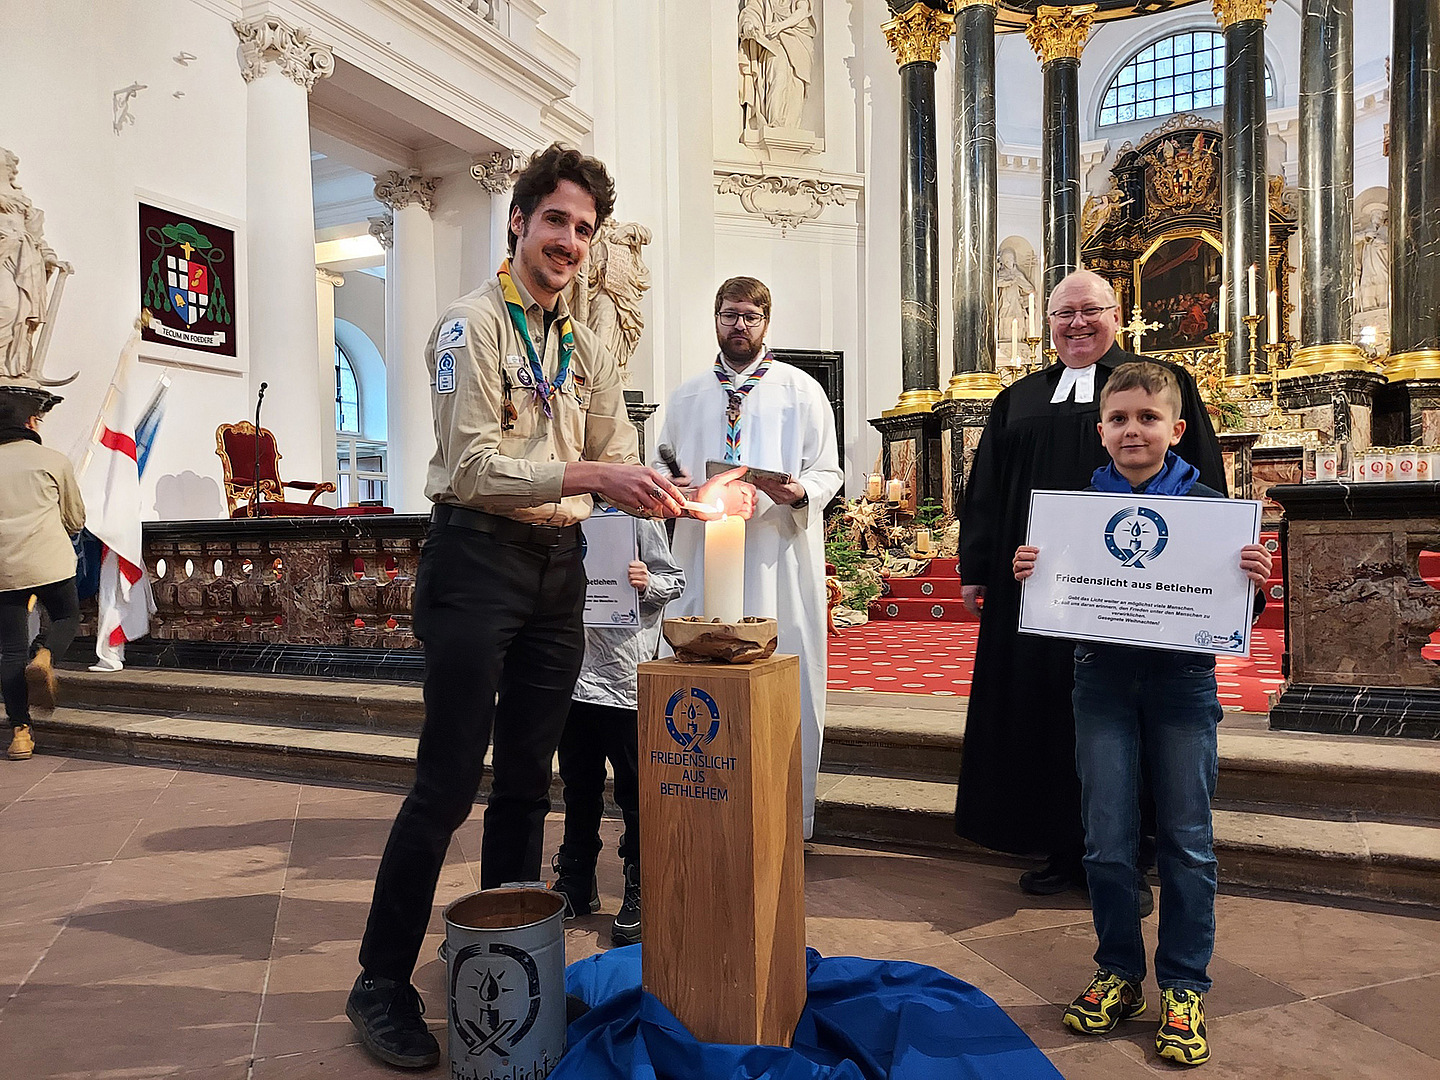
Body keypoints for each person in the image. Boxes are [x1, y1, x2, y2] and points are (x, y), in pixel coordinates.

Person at [348, 144, 687, 1071]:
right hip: (476, 562)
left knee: (528, 785)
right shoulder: (470, 325)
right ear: (518, 222)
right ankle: (378, 980)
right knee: (448, 782)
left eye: (584, 229)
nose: (570, 242)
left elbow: (614, 440)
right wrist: (597, 472)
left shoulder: (586, 339)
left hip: (559, 567)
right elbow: (469, 465)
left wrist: (660, 490)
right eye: (556, 223)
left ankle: (497, 969)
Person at [1013, 361, 1271, 1068]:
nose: (1133, 430)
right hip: (1100, 681)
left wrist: (1251, 584)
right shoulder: (1072, 516)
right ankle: (1120, 971)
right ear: (1101, 432)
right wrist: (1035, 575)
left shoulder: (1209, 507)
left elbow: (1232, 612)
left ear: (1176, 430)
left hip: (1183, 686)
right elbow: (1058, 598)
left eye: (1148, 418)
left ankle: (1184, 984)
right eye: (1120, 419)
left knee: (1188, 838)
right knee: (1105, 836)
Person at [957, 269, 1225, 897]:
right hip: (1038, 587)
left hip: (1136, 594)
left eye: (1090, 311)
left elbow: (1201, 476)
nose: (1076, 323)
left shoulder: (1157, 386)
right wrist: (976, 566)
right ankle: (1058, 842)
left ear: (1117, 315)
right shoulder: (1018, 399)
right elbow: (988, 488)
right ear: (1047, 324)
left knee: (1123, 715)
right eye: (1063, 314)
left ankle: (1132, 851)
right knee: (1043, 708)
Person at [657, 276, 843, 839]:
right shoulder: (686, 395)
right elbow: (663, 470)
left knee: (784, 675)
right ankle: (703, 809)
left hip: (776, 556)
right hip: (702, 556)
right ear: (715, 319)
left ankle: (787, 819)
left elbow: (829, 471)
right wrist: (676, 485)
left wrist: (799, 491)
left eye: (750, 317)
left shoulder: (800, 390)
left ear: (767, 322)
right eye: (729, 315)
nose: (739, 325)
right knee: (702, 673)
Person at [549, 511, 685, 945]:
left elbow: (674, 580)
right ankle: (575, 880)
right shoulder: (565, 510)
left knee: (635, 789)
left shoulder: (637, 517)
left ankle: (639, 885)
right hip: (573, 671)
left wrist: (648, 582)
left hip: (625, 678)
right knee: (578, 784)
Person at [0, 383, 84, 761]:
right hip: (48, 561)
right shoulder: (53, 460)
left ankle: (20, 733)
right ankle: (47, 655)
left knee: (9, 651)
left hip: (3, 570)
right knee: (67, 615)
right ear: (31, 422)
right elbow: (74, 517)